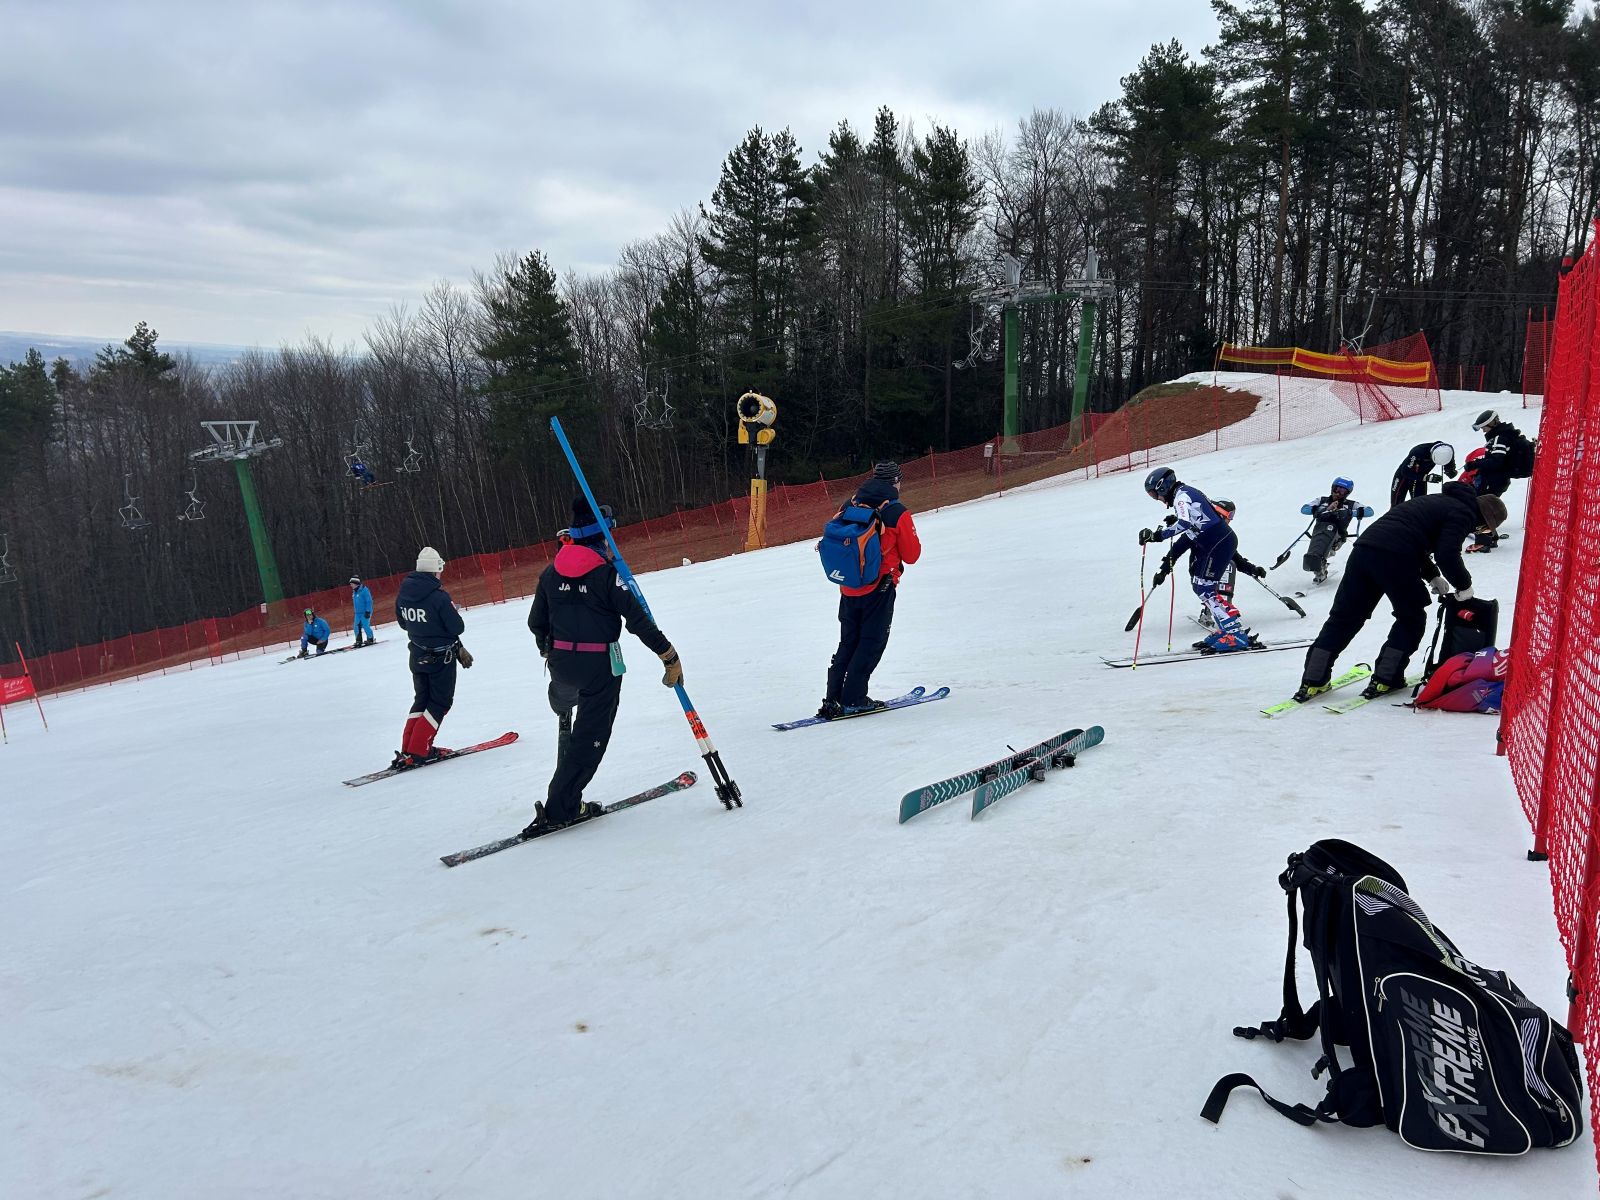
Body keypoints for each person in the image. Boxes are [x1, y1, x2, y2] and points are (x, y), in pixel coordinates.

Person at [526, 497, 681, 832]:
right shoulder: (606, 575)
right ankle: (562, 806)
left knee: (574, 716)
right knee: (590, 737)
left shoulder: (550, 573)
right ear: (603, 537)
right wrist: (667, 654)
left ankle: (564, 782)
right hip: (598, 666)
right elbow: (638, 621)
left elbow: (536, 622)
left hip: (562, 662)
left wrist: (547, 648)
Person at [1293, 483, 1508, 702]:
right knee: (1411, 618)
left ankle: (1313, 679)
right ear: (1482, 517)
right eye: (1484, 528)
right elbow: (1446, 554)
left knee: (1344, 618)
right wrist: (1464, 585)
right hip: (1396, 557)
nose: (1479, 531)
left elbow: (1408, 537)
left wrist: (1432, 575)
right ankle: (1387, 678)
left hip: (1364, 551)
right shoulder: (1464, 512)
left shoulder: (1438, 502)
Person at [817, 461, 922, 718]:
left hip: (849, 587)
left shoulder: (850, 503)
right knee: (871, 642)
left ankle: (833, 698)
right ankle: (853, 698)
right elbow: (912, 555)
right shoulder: (896, 512)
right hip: (880, 587)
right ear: (895, 482)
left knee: (849, 641)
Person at [1140, 467, 1253, 653]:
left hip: (1218, 542)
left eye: (1154, 494)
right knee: (1201, 586)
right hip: (1216, 542)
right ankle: (1226, 628)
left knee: (1204, 588)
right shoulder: (1185, 492)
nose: (1157, 499)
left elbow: (1184, 523)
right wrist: (1169, 558)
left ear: (1162, 487)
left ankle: (1234, 633)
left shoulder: (1181, 497)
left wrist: (1157, 536)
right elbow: (1194, 524)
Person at [393, 546, 470, 769]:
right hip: (440, 657)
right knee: (439, 702)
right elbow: (457, 626)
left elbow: (403, 622)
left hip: (417, 654)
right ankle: (419, 750)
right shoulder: (438, 597)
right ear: (434, 570)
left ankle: (409, 746)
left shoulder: (403, 595)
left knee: (422, 699)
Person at [1152, 497, 1266, 638]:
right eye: (1227, 517)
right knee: (1208, 586)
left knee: (1227, 566)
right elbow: (1176, 550)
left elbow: (1237, 558)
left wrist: (1253, 570)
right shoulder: (1199, 531)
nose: (1229, 521)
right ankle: (1223, 619)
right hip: (1198, 572)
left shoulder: (1221, 535)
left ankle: (1227, 620)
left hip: (1213, 573)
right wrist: (1163, 571)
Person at [1469, 410, 1535, 551]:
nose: (1483, 431)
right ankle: (1490, 536)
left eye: (1484, 427)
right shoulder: (1503, 435)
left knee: (1481, 506)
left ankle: (1484, 542)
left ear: (1492, 424)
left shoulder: (1500, 438)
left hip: (1494, 479)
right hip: (1498, 478)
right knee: (1484, 505)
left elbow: (1496, 462)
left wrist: (1475, 464)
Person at [1299, 477, 1366, 583]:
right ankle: (1317, 564)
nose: (1338, 493)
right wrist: (1324, 509)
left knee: (1329, 532)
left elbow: (1369, 511)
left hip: (1338, 536)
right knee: (1321, 538)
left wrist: (1349, 512)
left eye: (1342, 491)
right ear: (1332, 488)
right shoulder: (1322, 500)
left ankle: (1320, 563)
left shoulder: (1351, 504)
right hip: (1319, 532)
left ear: (1347, 493)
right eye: (1336, 489)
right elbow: (1304, 509)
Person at [1389, 441, 1456, 509]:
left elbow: (1449, 463)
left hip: (1420, 479)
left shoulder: (1448, 451)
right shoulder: (1418, 451)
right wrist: (1426, 477)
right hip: (1403, 478)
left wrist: (1450, 471)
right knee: (1396, 506)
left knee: (1420, 506)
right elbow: (1405, 471)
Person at [350, 576, 375, 647]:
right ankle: (358, 640)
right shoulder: (354, 591)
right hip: (357, 613)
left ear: (356, 583)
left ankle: (370, 639)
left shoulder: (364, 590)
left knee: (365, 625)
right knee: (356, 626)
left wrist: (368, 611)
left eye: (352, 584)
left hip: (365, 612)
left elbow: (369, 601)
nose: (351, 585)